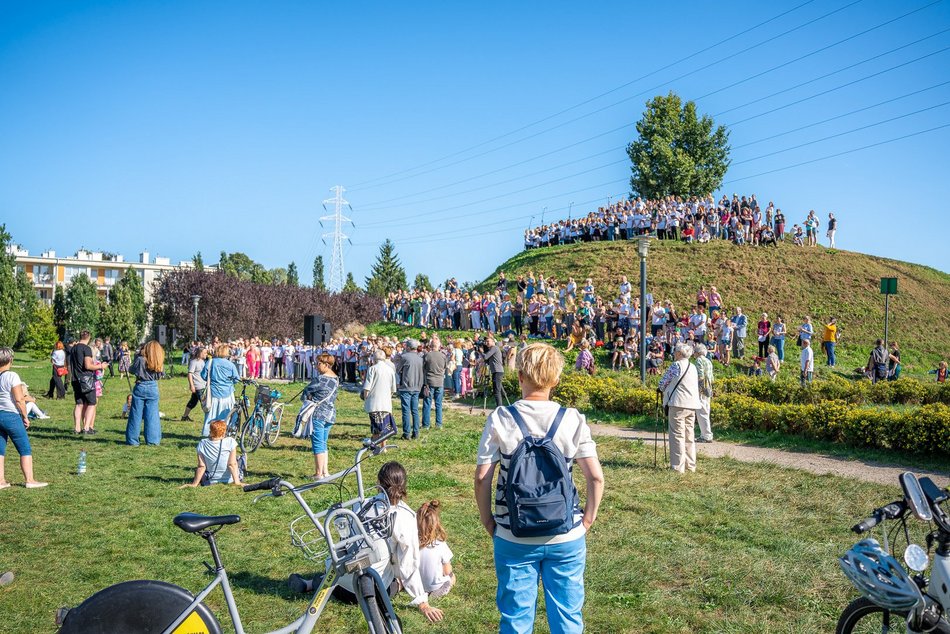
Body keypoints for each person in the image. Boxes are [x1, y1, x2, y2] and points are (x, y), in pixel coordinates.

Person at [474, 343, 604, 634]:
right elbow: (595, 477)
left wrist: (488, 520)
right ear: (556, 380)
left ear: (519, 376)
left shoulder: (500, 418)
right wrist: (587, 519)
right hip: (566, 533)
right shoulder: (572, 419)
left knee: (516, 620)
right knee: (568, 618)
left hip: (513, 534)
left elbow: (483, 477)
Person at [0, 348, 47, 489]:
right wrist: (25, 416)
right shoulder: (12, 375)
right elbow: (19, 399)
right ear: (11, 360)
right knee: (24, 447)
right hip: (11, 415)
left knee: (0, 450)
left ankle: (1, 481)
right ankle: (30, 480)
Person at [659, 343, 702, 473]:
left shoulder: (676, 365)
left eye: (675, 352)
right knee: (689, 435)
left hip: (678, 403)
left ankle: (677, 466)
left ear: (678, 353)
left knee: (677, 434)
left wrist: (661, 388)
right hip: (692, 404)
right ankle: (690, 465)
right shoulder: (693, 367)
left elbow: (663, 383)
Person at [303, 353, 339, 480]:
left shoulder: (320, 379)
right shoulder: (336, 378)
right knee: (323, 442)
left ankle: (318, 473)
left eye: (319, 363)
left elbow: (306, 393)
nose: (316, 366)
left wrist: (308, 397)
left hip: (318, 414)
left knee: (317, 443)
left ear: (327, 365)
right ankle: (325, 471)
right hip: (330, 414)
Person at [179, 419, 243, 487]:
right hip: (229, 479)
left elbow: (201, 466)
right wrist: (237, 482)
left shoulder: (202, 443)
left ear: (210, 431)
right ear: (224, 431)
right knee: (241, 459)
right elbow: (231, 464)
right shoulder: (230, 441)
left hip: (210, 479)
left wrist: (194, 484)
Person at [125, 341, 165, 446]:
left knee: (135, 414)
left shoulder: (140, 359)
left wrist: (136, 356)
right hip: (153, 386)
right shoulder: (158, 361)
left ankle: (133, 440)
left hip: (140, 385)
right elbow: (161, 374)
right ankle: (153, 440)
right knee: (152, 415)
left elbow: (131, 370)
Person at [68, 330, 107, 435]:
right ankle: (86, 427)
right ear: (89, 338)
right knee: (92, 403)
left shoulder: (73, 349)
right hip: (86, 380)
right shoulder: (86, 349)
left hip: (75, 379)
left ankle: (77, 428)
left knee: (79, 404)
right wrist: (101, 366)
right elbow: (88, 366)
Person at [417, 500, 456, 600]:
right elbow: (447, 571)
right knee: (452, 577)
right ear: (436, 524)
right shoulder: (440, 544)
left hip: (415, 585)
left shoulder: (411, 544)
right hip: (435, 587)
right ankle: (440, 588)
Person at [201, 344, 240, 437]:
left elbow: (203, 375)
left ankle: (209, 432)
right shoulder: (230, 365)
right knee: (227, 415)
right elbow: (237, 379)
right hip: (228, 392)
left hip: (213, 392)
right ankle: (226, 431)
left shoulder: (211, 362)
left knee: (211, 414)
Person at [362, 348, 397, 438]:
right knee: (385, 426)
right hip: (385, 403)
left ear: (374, 359)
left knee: (375, 427)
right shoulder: (390, 370)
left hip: (374, 402)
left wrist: (365, 398)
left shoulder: (372, 369)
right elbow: (393, 389)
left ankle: (375, 445)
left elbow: (367, 387)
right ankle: (383, 447)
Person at [396, 340, 424, 440]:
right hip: (417, 386)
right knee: (415, 410)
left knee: (406, 411)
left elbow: (397, 369)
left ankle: (406, 433)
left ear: (408, 347)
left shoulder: (404, 357)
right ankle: (416, 432)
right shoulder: (420, 358)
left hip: (406, 386)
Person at [422, 339, 446, 430]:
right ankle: (439, 424)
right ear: (439, 346)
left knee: (427, 403)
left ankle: (426, 425)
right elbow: (445, 367)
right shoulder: (443, 356)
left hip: (429, 382)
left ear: (431, 346)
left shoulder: (427, 355)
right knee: (439, 404)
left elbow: (423, 367)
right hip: (440, 382)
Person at [692, 343, 714, 443]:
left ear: (698, 352)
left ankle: (706, 436)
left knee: (702, 412)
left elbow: (700, 376)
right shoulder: (708, 361)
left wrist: (698, 390)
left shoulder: (698, 360)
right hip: (708, 387)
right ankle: (705, 434)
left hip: (702, 389)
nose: (694, 354)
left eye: (694, 352)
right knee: (706, 411)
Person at [181, 348, 208, 422]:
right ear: (200, 353)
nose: (206, 354)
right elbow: (190, 374)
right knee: (205, 403)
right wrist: (192, 385)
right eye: (205, 353)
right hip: (198, 386)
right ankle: (208, 419)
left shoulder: (203, 361)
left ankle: (185, 416)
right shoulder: (194, 362)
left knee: (193, 402)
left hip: (203, 385)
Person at [482, 335, 508, 408]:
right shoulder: (492, 349)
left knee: (496, 391)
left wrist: (480, 351)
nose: (486, 343)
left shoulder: (494, 348)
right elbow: (487, 361)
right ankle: (504, 404)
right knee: (499, 388)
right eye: (486, 341)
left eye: (488, 341)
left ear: (493, 342)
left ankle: (499, 407)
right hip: (496, 371)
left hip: (497, 371)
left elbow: (485, 357)